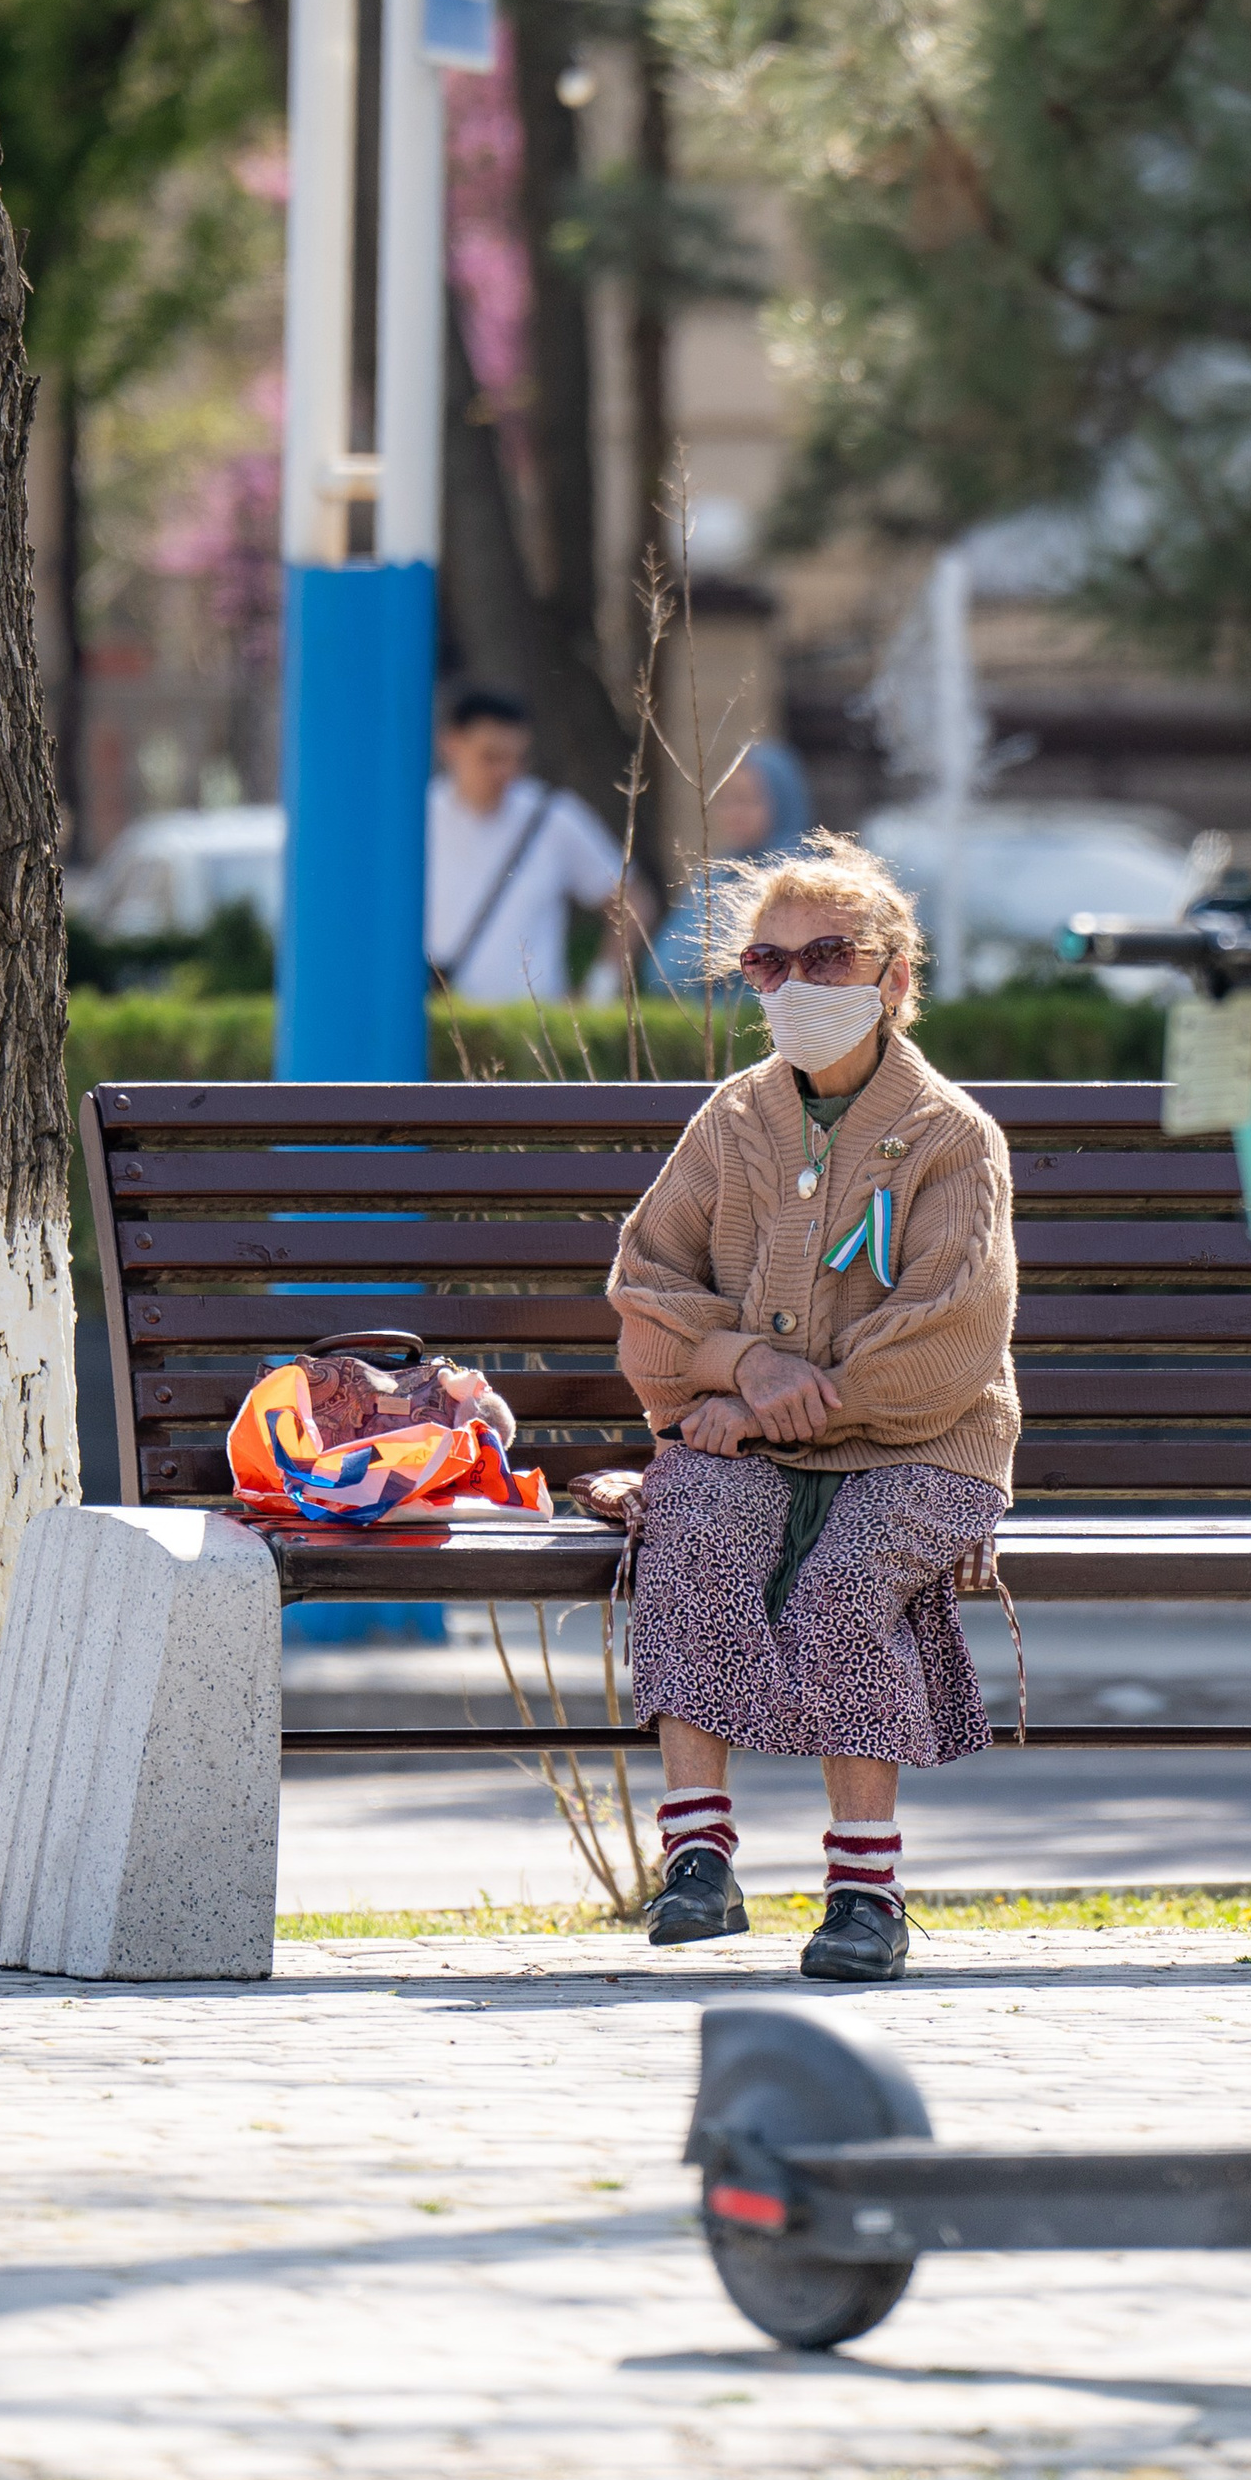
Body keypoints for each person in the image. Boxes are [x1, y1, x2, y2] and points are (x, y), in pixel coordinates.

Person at [606, 827, 1018, 1983]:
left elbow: (947, 1337)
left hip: (922, 1448)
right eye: (767, 965)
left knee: (847, 1584)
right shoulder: (732, 1121)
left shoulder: (950, 1139)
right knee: (694, 1533)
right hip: (738, 1436)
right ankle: (696, 1858)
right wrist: (741, 1367)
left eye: (828, 956)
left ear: (895, 978)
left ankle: (865, 1894)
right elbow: (647, 1286)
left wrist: (787, 1406)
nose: (795, 985)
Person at [426, 686, 656, 1004]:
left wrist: (598, 991)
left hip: (532, 1025)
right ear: (450, 744)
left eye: (516, 759)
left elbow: (632, 903)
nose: (504, 772)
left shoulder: (550, 817)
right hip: (438, 1016)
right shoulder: (417, 818)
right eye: (490, 757)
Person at [644, 740, 812, 1000]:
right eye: (727, 801)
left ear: (783, 801)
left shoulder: (806, 882)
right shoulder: (715, 877)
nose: (735, 814)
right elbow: (662, 971)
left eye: (748, 801)